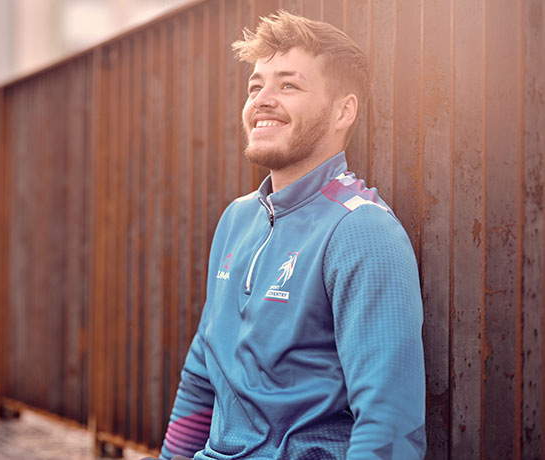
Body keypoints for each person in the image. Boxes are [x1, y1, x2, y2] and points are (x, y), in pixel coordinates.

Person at [144, 10, 426, 460]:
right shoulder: (237, 219)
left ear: (343, 111)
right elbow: (202, 373)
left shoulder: (364, 232)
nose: (262, 99)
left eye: (288, 85)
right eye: (256, 86)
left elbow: (389, 424)